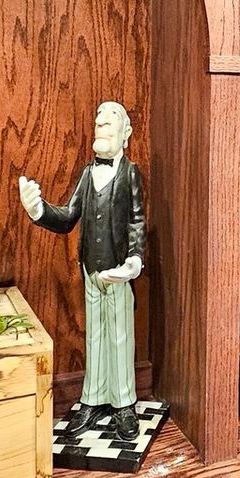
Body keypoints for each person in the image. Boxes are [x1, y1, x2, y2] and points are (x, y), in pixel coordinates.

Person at [18, 102, 147, 439]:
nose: (101, 127)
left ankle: (124, 404)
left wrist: (134, 261)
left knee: (120, 336)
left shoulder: (130, 173)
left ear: (125, 134)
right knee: (95, 336)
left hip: (117, 270)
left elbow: (136, 220)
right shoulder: (88, 174)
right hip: (91, 269)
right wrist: (38, 210)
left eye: (109, 123)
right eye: (98, 123)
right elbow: (68, 216)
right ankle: (92, 399)